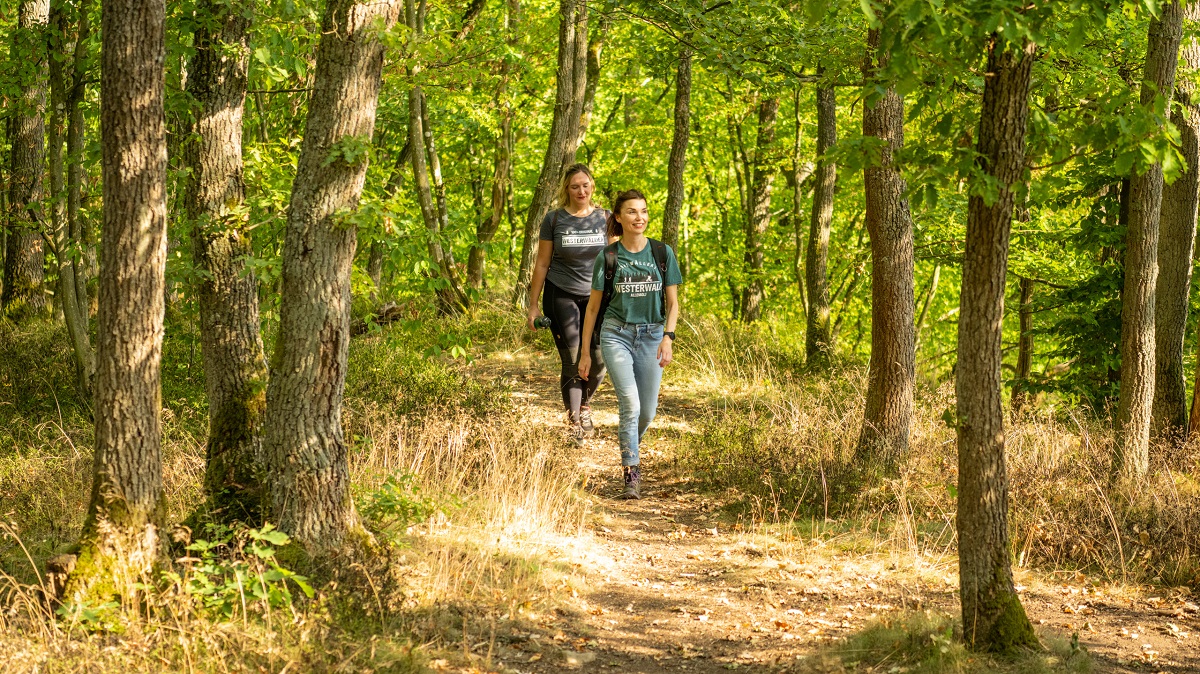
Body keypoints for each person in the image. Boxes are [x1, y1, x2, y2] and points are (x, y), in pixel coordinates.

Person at [578, 190, 682, 499]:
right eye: (632, 212)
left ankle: (628, 442)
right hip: (616, 334)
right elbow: (593, 309)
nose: (640, 217)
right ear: (619, 218)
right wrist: (585, 352)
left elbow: (673, 304)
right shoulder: (608, 257)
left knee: (647, 413)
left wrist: (668, 337)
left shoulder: (662, 253)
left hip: (652, 336)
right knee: (631, 405)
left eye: (644, 211)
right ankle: (631, 474)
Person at [526, 164, 612, 444]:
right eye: (575, 186)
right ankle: (575, 422)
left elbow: (616, 261)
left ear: (592, 186)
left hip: (598, 298)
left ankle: (584, 404)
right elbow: (541, 263)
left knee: (599, 361)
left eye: (585, 185)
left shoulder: (606, 218)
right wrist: (533, 306)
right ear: (566, 189)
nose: (581, 191)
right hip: (561, 294)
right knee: (574, 358)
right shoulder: (554, 220)